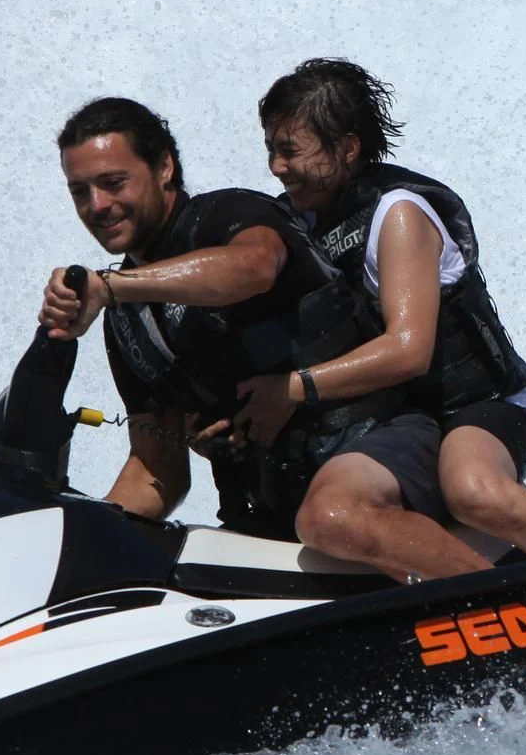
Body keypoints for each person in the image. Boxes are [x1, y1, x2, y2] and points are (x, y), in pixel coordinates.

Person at [225, 59, 526, 574]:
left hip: (475, 405)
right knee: (325, 514)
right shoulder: (305, 220)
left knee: (473, 492)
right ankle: (476, 602)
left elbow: (408, 350)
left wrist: (290, 388)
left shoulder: (397, 214)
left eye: (289, 150)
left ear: (347, 149)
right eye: (270, 149)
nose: (276, 167)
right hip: (399, 421)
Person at [35, 95, 383, 540]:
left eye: (113, 182)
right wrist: (81, 539)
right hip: (268, 520)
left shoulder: (230, 214)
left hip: (369, 463)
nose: (97, 205)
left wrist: (110, 287)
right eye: (80, 191)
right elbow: (155, 470)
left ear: (164, 168)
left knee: (333, 519)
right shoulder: (125, 321)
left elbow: (254, 267)